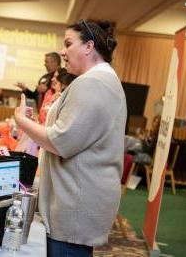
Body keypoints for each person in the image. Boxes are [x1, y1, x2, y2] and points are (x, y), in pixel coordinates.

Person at [14, 19, 126, 256]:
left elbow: (59, 141)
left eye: (68, 44)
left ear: (88, 47)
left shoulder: (92, 83)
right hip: (79, 196)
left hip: (75, 203)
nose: (63, 52)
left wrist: (23, 122)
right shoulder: (102, 80)